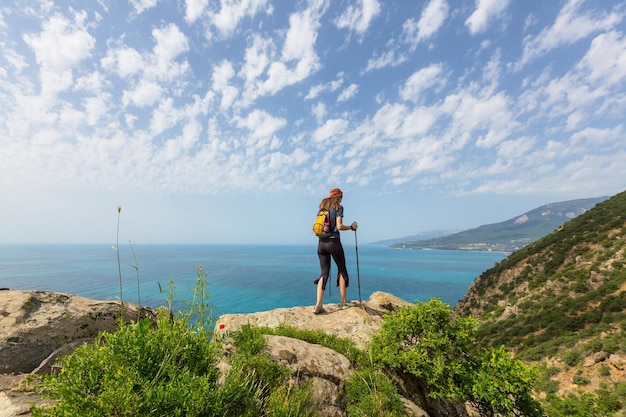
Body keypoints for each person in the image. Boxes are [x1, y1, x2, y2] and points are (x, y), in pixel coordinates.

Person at [313, 188, 358, 314]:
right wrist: (351, 227)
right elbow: (339, 226)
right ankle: (343, 302)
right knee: (342, 269)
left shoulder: (322, 208)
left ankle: (318, 305)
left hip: (321, 244)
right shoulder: (339, 207)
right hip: (333, 242)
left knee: (324, 273)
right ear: (339, 197)